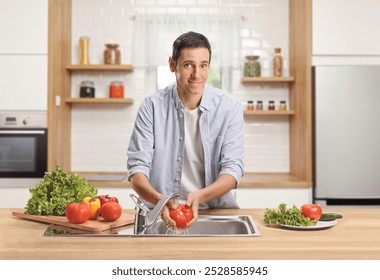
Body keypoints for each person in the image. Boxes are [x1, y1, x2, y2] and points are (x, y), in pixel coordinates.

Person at [127, 31, 244, 229]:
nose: (197, 75)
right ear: (173, 65)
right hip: (161, 212)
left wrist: (200, 196)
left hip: (214, 212)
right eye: (188, 65)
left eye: (203, 65)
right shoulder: (151, 107)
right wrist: (159, 200)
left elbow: (233, 171)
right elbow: (137, 170)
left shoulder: (229, 107)